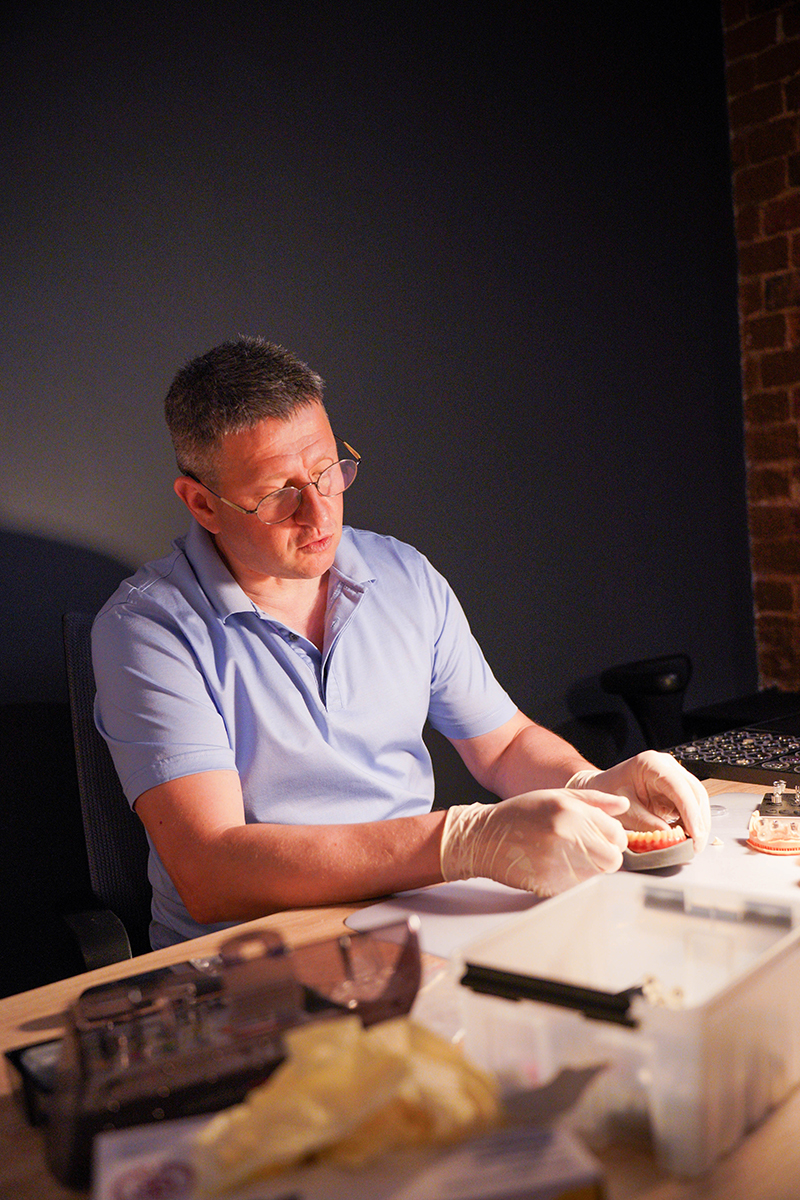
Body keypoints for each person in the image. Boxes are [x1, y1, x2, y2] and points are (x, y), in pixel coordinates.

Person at [92, 337, 711, 949]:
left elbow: (504, 747)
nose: (320, 514)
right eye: (278, 496)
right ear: (203, 504)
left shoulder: (402, 574)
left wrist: (594, 789)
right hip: (251, 960)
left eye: (328, 472)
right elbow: (210, 871)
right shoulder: (148, 627)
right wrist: (462, 842)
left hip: (412, 923)